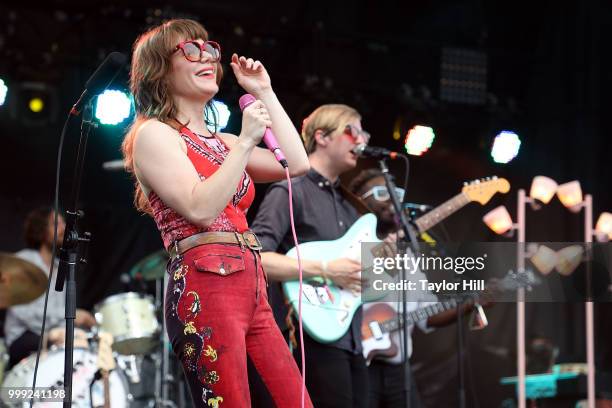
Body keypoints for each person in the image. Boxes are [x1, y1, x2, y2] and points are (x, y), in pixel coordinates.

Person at [120, 19, 312, 408]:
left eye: (209, 48)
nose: (206, 55)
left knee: (295, 400)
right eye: (190, 49)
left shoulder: (222, 141)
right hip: (205, 282)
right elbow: (200, 208)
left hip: (252, 283)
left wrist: (265, 92)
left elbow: (297, 162)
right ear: (160, 68)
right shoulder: (154, 134)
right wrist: (244, 142)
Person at [251, 104, 371, 407]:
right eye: (352, 131)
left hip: (352, 338)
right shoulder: (290, 190)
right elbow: (255, 258)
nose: (361, 141)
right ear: (322, 136)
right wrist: (328, 268)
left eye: (363, 134)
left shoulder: (348, 205)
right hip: (307, 336)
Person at [349, 169, 475, 408]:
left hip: (398, 369)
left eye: (396, 193)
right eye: (381, 192)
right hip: (358, 364)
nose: (392, 199)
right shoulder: (347, 244)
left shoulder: (408, 256)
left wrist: (469, 304)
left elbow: (426, 316)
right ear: (358, 200)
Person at [4, 207, 96, 368]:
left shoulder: (59, 268)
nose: (63, 228)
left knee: (85, 342)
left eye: (63, 223)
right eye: (56, 223)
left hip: (52, 336)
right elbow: (24, 313)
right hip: (23, 337)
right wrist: (58, 329)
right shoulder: (25, 261)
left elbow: (58, 315)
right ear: (41, 230)